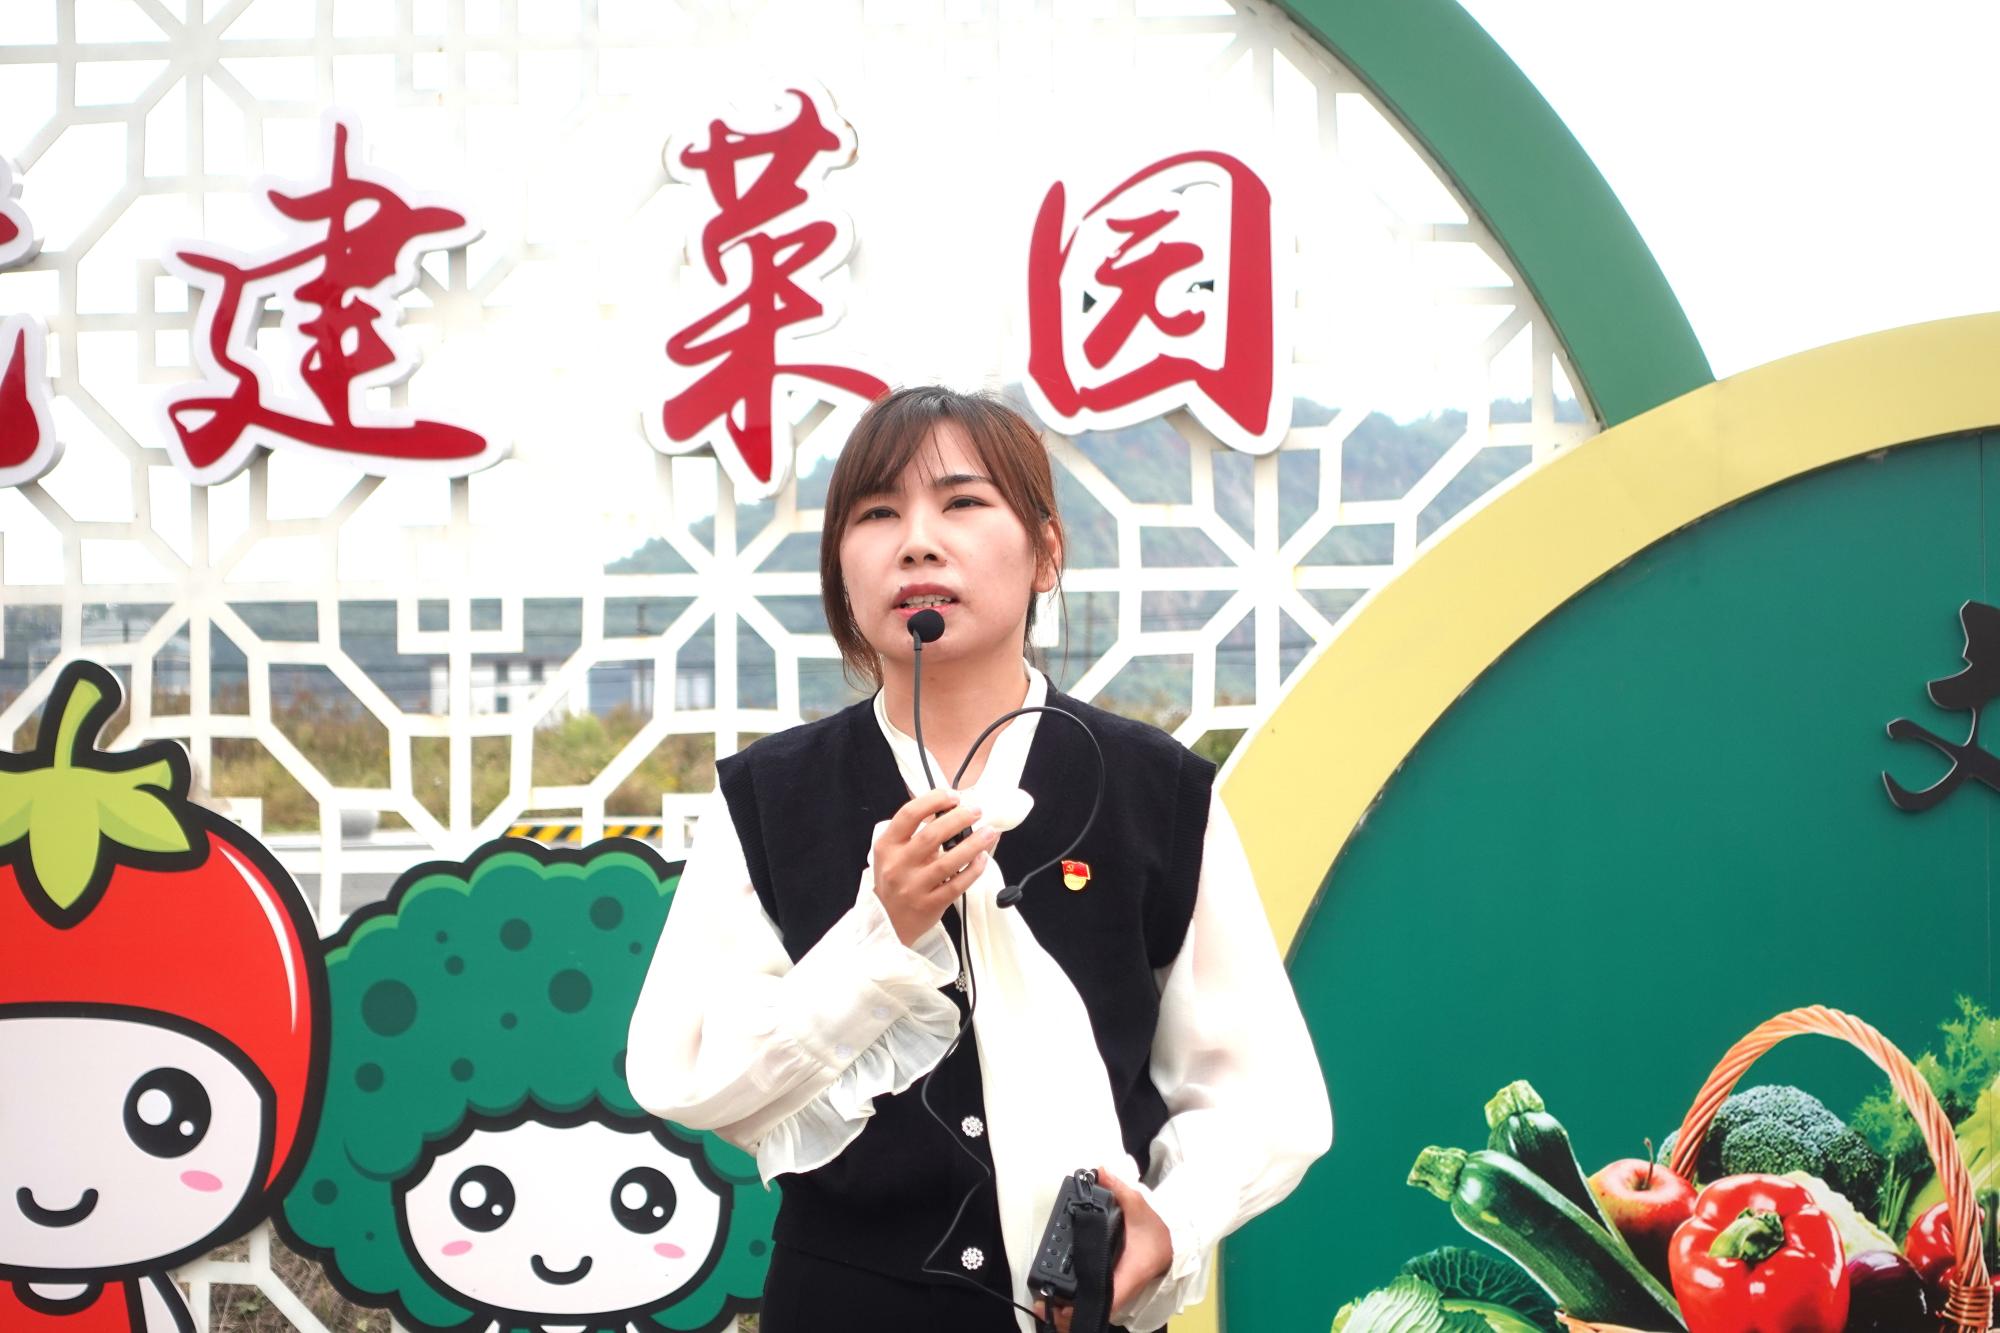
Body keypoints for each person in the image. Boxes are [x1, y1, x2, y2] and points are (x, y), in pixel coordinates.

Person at [626, 386, 1330, 1333]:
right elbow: (690, 1073)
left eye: (962, 502)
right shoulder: (769, 796)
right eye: (878, 514)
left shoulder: (1156, 790)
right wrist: (879, 938)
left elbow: (1261, 1095)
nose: (918, 542)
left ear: (1047, 551)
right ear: (840, 567)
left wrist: (1169, 1222)